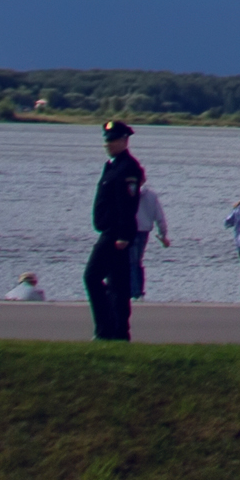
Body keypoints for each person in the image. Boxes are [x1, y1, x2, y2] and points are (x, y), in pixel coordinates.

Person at [85, 120, 147, 341]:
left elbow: (128, 204)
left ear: (123, 140)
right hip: (110, 232)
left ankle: (105, 330)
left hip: (115, 234)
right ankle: (120, 333)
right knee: (118, 285)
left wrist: (123, 235)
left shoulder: (128, 167)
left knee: (92, 277)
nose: (107, 143)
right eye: (106, 139)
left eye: (112, 140)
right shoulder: (112, 166)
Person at [127, 165, 174, 300]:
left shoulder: (128, 193)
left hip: (130, 229)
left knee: (131, 261)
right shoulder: (152, 196)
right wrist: (163, 235)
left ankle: (134, 292)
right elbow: (160, 217)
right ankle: (138, 291)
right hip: (144, 231)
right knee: (137, 261)